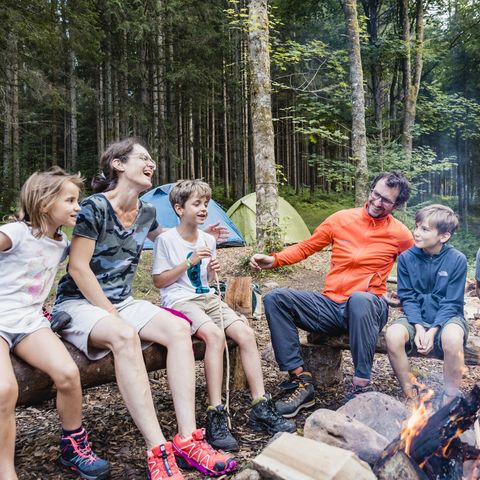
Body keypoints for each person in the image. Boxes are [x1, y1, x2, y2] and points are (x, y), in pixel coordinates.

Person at [52, 139, 236, 480]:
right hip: (80, 302)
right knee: (124, 336)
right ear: (119, 165)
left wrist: (198, 230)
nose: (151, 164)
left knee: (180, 329)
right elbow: (78, 267)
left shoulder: (147, 211)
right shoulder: (94, 208)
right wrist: (111, 312)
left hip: (123, 300)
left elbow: (165, 234)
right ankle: (157, 449)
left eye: (152, 159)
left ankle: (187, 439)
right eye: (143, 158)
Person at [250, 171, 414, 417]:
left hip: (369, 307)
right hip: (331, 305)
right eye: (376, 195)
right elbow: (307, 247)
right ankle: (301, 381)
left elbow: (416, 270)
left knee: (360, 299)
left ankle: (361, 383)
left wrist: (407, 298)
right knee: (276, 298)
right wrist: (274, 260)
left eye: (386, 201)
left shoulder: (400, 234)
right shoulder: (341, 219)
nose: (377, 203)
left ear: (398, 204)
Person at [152, 180, 296, 452]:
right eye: (197, 204)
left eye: (206, 203)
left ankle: (260, 406)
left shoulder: (207, 239)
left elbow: (203, 281)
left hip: (207, 298)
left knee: (245, 333)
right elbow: (160, 281)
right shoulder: (166, 240)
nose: (204, 208)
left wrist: (209, 269)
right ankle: (216, 411)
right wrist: (189, 261)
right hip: (179, 301)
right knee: (215, 336)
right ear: (179, 208)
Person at [0, 168, 110, 480]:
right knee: (5, 390)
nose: (78, 206)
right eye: (71, 199)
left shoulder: (61, 243)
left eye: (79, 199)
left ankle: (72, 446)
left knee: (67, 374)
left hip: (30, 322)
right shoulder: (17, 233)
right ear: (46, 203)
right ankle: (6, 470)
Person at [385, 205, 467, 405]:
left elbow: (452, 302)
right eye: (417, 227)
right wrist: (420, 327)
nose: (416, 233)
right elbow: (408, 297)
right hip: (416, 317)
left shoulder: (457, 260)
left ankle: (449, 398)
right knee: (392, 335)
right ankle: (410, 392)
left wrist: (433, 331)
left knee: (453, 339)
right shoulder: (406, 258)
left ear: (444, 236)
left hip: (448, 318)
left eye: (424, 229)